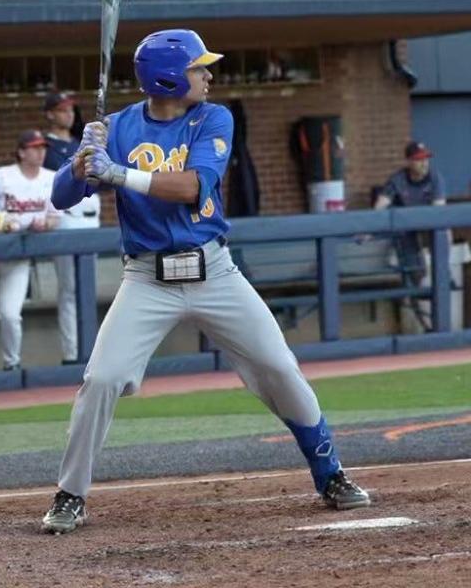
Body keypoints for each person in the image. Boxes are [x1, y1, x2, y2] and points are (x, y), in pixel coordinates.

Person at [40, 29, 370, 535]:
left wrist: (119, 174)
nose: (209, 75)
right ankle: (70, 495)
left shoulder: (213, 117)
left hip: (215, 272)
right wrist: (84, 162)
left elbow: (195, 185)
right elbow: (63, 198)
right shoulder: (118, 127)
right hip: (147, 278)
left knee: (279, 368)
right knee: (101, 379)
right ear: (169, 78)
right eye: (199, 68)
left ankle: (331, 475)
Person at [0, 130, 60, 374]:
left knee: (10, 315)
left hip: (19, 258)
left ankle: (12, 364)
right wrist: (0, 222)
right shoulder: (1, 176)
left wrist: (45, 225)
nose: (40, 152)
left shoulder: (52, 178)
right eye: (34, 147)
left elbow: (54, 218)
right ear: (21, 152)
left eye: (43, 147)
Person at [42, 94, 102, 365]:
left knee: (88, 287)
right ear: (50, 114)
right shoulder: (46, 147)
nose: (68, 114)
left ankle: (90, 349)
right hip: (66, 216)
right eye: (61, 110)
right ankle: (72, 353)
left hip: (91, 217)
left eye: (70, 109)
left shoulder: (82, 140)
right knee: (69, 289)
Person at [373, 140, 446, 332]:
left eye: (425, 159)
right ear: (409, 161)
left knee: (442, 236)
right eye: (418, 159)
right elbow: (379, 207)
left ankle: (435, 317)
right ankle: (427, 325)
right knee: (416, 276)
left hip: (429, 232)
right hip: (405, 237)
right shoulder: (398, 179)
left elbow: (440, 212)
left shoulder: (434, 177)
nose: (423, 163)